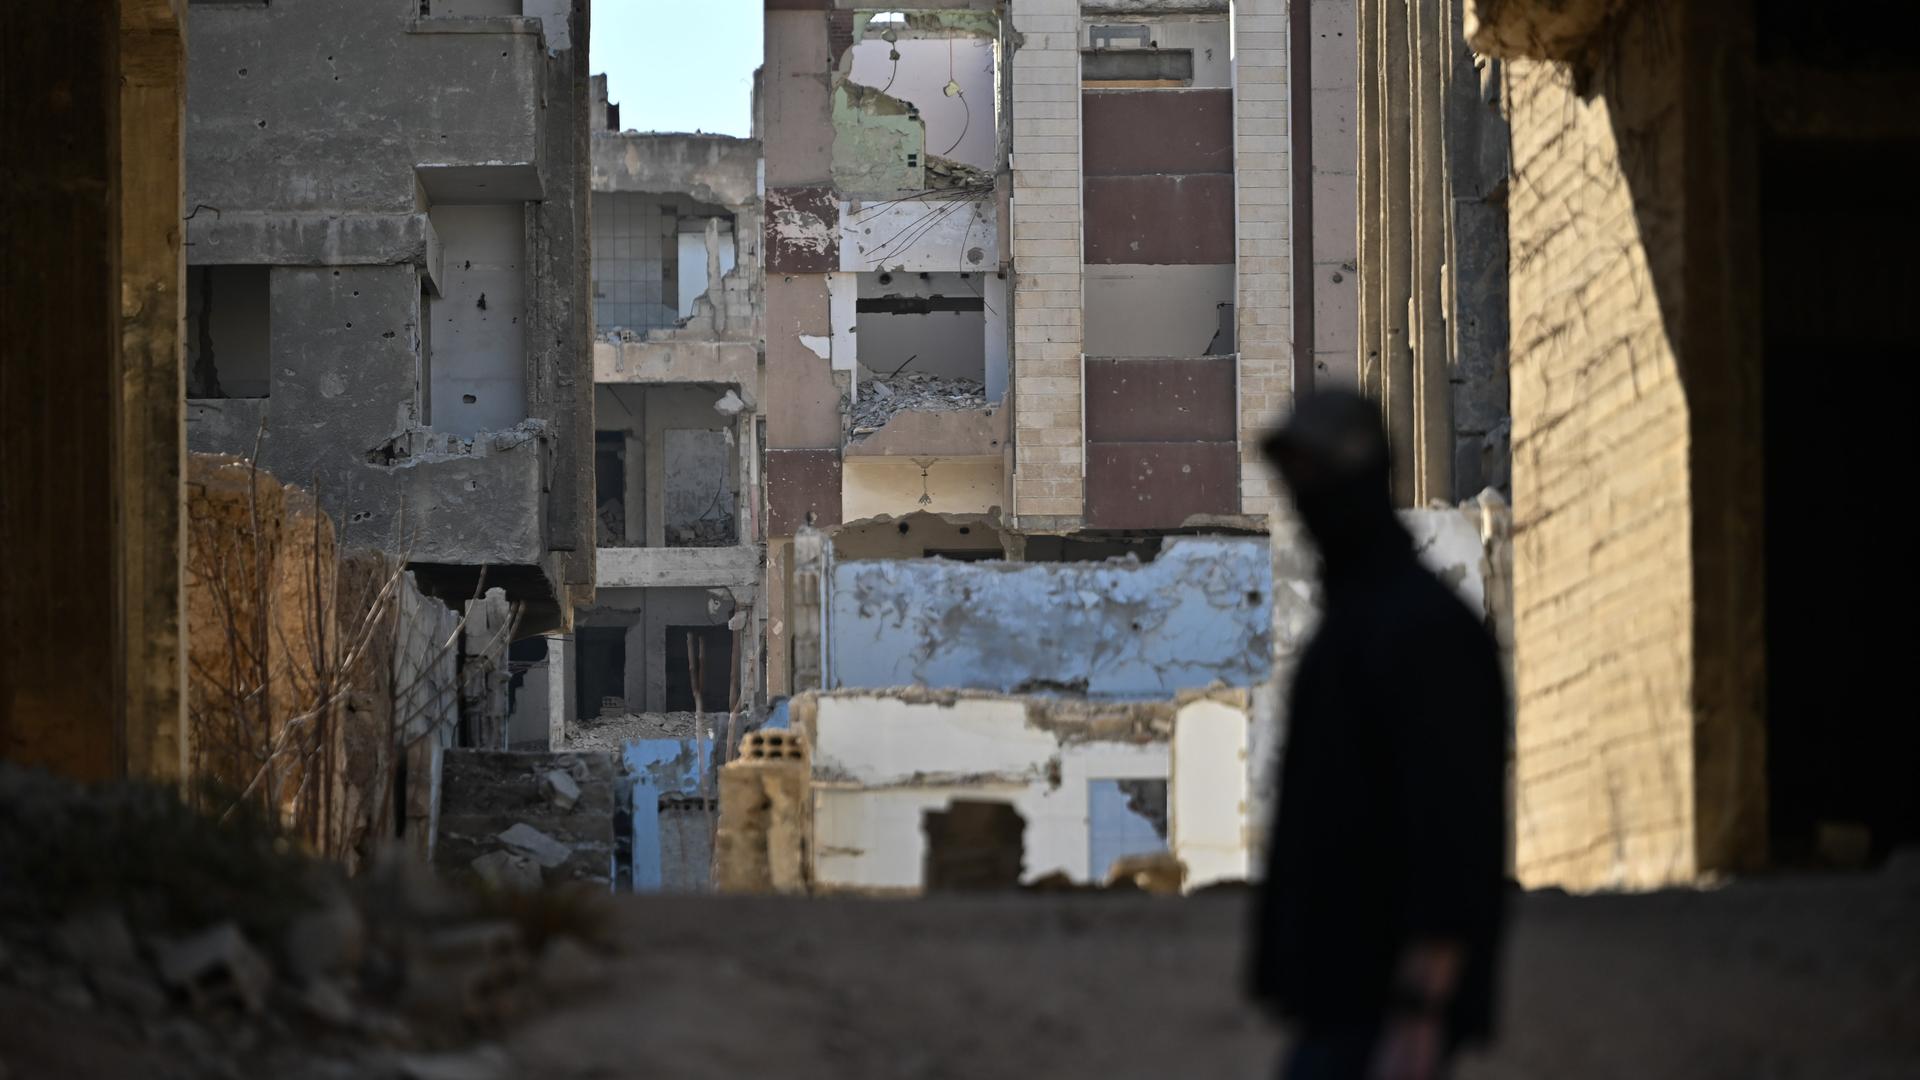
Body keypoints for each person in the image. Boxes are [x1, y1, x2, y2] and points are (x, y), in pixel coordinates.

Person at [1250, 390, 1509, 1080]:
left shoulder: (1422, 632)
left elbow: (1456, 830)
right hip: (1339, 1002)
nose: (1301, 500)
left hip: (1385, 1011)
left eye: (1314, 477)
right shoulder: (1356, 626)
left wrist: (1422, 1008)